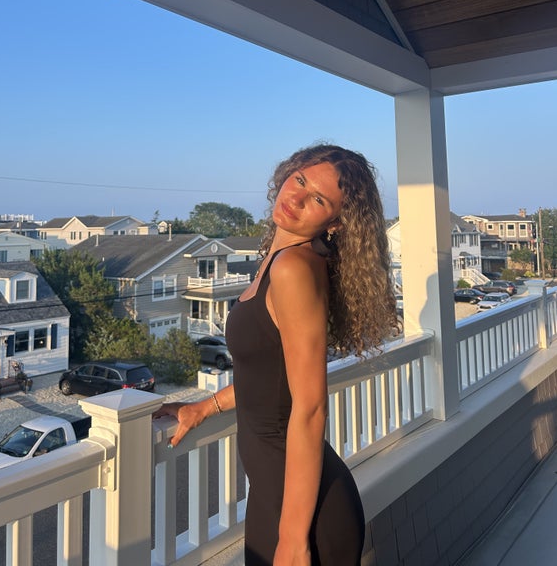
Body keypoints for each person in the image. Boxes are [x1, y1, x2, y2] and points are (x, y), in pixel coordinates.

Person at [153, 144, 398, 565]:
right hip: (277, 495)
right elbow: (269, 376)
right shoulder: (280, 261)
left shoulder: (293, 269)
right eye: (299, 180)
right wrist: (205, 407)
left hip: (303, 515)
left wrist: (294, 539)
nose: (296, 198)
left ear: (336, 222)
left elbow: (310, 407)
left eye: (318, 199)